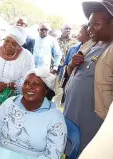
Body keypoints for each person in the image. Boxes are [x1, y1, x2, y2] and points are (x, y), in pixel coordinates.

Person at [64, 0, 113, 155]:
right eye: (90, 24)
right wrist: (71, 65)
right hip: (72, 112)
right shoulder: (89, 45)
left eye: (96, 24)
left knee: (87, 153)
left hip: (94, 119)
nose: (90, 28)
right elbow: (70, 73)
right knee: (69, 150)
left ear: (112, 24)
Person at [0, 68, 67, 158]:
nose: (29, 87)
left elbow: (53, 154)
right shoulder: (9, 104)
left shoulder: (55, 117)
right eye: (26, 83)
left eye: (36, 84)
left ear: (46, 90)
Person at [0, 26, 35, 125]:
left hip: (15, 97)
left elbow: (29, 79)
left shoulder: (26, 57)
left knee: (11, 125)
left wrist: (8, 85)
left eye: (13, 44)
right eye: (7, 41)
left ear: (19, 46)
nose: (8, 45)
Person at [58, 24, 90, 103]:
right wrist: (60, 79)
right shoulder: (73, 48)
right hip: (68, 81)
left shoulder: (93, 50)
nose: (78, 34)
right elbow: (65, 65)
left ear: (89, 34)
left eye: (80, 32)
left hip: (81, 88)